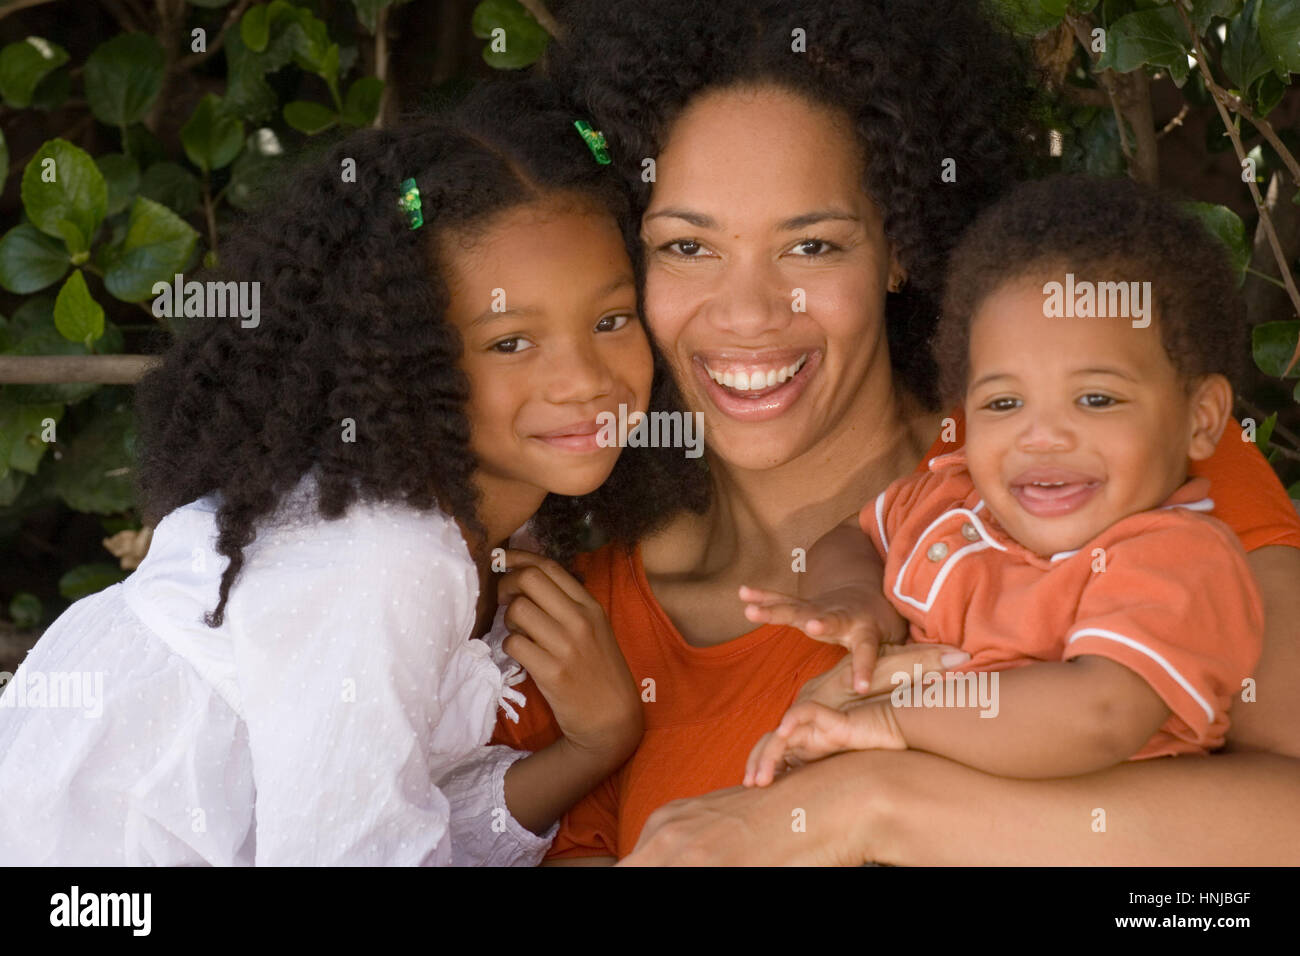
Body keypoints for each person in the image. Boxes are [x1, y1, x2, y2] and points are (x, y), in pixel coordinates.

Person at [492, 0, 1300, 865]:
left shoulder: (1106, 449)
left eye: (812, 247)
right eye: (688, 248)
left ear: (900, 245)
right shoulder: (591, 631)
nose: (749, 314)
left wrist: (865, 805)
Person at [0, 78, 658, 865]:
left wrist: (595, 747)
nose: (584, 378)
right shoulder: (379, 560)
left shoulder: (499, 522)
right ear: (405, 358)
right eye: (511, 341)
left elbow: (398, 819)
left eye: (611, 320)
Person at [744, 174, 1262, 786]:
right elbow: (851, 536)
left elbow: (1097, 713)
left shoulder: (1175, 557)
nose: (1041, 437)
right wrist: (859, 602)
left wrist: (891, 721)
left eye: (1095, 398)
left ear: (1201, 420)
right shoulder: (950, 499)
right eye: (1003, 404)